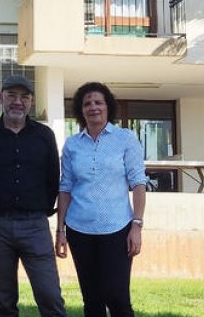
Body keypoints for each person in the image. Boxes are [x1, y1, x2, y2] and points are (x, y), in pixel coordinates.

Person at [0, 74, 66, 317]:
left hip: (35, 226)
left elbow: (54, 177)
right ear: (1, 98)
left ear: (31, 102)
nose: (17, 102)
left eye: (24, 97)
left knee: (50, 296)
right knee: (4, 302)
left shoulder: (44, 136)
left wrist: (41, 209)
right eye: (12, 95)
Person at [55, 82, 148, 317]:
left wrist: (136, 225)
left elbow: (138, 182)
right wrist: (60, 230)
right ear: (80, 110)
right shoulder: (72, 145)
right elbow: (65, 187)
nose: (93, 107)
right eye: (87, 103)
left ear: (108, 107)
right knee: (92, 300)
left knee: (117, 298)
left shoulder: (126, 139)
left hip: (117, 229)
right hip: (79, 230)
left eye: (98, 102)